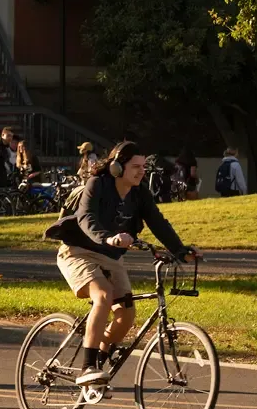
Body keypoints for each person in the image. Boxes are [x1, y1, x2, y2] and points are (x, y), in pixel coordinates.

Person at [45, 140, 199, 388]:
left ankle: (98, 370)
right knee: (103, 295)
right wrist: (107, 237)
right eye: (135, 166)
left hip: (109, 257)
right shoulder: (98, 184)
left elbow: (157, 222)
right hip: (77, 252)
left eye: (143, 167)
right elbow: (86, 217)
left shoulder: (139, 194)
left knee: (126, 317)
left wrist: (181, 251)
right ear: (117, 167)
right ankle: (87, 367)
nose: (141, 171)